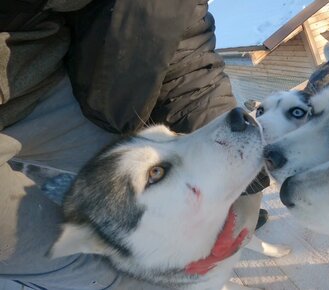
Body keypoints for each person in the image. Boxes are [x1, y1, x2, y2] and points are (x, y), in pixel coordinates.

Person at [0, 0, 268, 289]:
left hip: (45, 68)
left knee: (137, 163)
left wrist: (245, 185)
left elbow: (174, 29)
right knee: (76, 266)